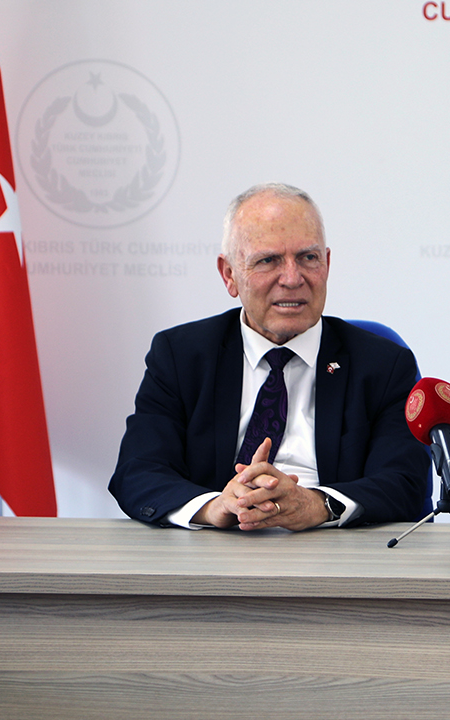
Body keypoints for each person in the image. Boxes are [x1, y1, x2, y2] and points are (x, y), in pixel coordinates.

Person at [109, 184, 429, 530]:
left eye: (308, 258)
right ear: (229, 274)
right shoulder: (181, 356)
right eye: (268, 260)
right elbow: (138, 471)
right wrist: (213, 508)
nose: (292, 279)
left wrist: (318, 505)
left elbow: (404, 481)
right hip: (211, 548)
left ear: (327, 264)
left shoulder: (383, 364)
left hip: (333, 548)